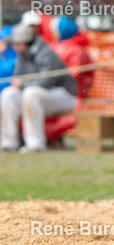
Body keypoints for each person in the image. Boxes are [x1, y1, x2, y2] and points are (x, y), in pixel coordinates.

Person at [0, 25, 78, 153]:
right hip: (39, 95)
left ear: (25, 42)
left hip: (64, 96)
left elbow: (46, 82)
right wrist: (18, 84)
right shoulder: (22, 56)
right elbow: (18, 78)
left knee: (31, 93)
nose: (13, 46)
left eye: (15, 43)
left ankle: (35, 143)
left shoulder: (46, 53)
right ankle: (8, 142)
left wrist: (23, 84)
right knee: (9, 94)